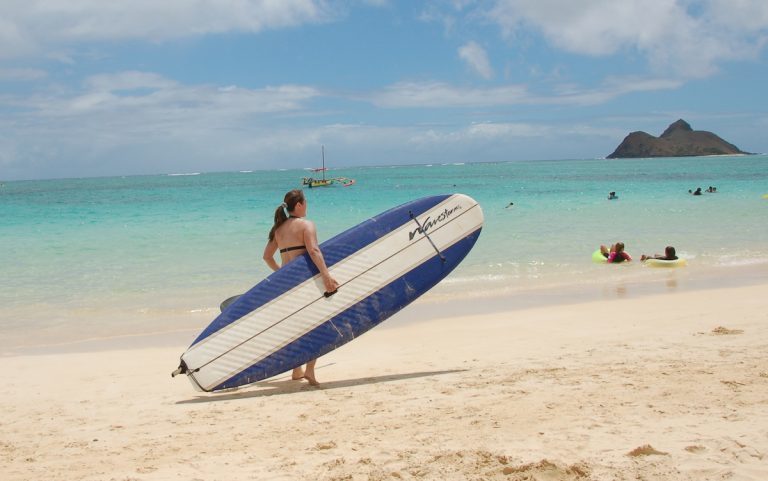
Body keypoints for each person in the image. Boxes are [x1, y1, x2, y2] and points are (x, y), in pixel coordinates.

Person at [262, 189, 338, 386]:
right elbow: (313, 250)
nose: (307, 206)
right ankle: (310, 371)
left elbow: (267, 256)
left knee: (295, 327)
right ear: (298, 205)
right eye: (305, 203)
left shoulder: (278, 229)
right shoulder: (306, 225)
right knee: (317, 325)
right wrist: (326, 276)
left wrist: (280, 272)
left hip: (287, 285)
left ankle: (297, 369)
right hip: (304, 283)